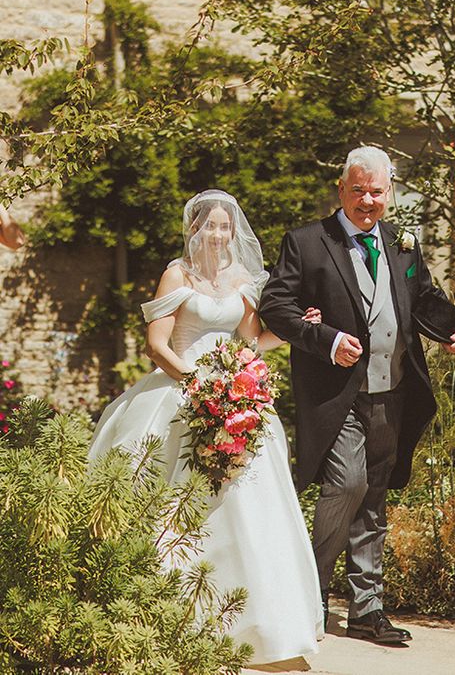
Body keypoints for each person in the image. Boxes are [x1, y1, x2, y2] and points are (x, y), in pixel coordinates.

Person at [88, 189, 324, 666]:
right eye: (209, 226)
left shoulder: (241, 280)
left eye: (224, 227)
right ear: (194, 229)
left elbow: (253, 342)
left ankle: (258, 621)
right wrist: (197, 385)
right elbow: (157, 345)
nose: (217, 234)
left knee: (250, 501)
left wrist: (296, 326)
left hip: (236, 393)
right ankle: (163, 608)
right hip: (180, 390)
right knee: (172, 495)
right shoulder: (176, 273)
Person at [259, 146, 455, 644]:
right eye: (357, 190)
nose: (366, 200)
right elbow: (276, 305)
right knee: (348, 483)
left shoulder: (401, 243)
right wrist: (327, 340)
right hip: (337, 394)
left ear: (389, 193)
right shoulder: (307, 242)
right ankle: (307, 594)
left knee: (374, 497)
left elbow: (422, 299)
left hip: (393, 390)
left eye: (376, 191)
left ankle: (366, 609)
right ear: (341, 190)